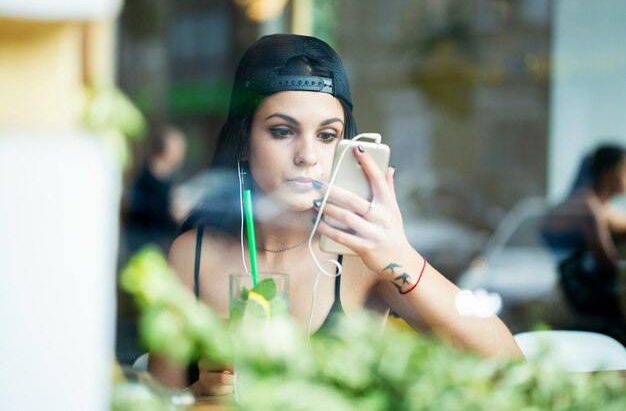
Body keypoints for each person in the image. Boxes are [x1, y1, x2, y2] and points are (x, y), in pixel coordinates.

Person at [147, 34, 523, 395]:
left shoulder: (360, 257)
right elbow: (156, 401)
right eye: (282, 131)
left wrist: (400, 256)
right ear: (243, 140)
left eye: (327, 135)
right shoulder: (192, 256)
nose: (307, 156)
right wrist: (200, 391)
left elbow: (510, 366)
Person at [541, 144, 626, 332]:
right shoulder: (587, 206)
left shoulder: (599, 207)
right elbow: (608, 264)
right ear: (608, 173)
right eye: (624, 170)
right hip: (571, 301)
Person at [125, 125, 188, 255]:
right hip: (147, 252)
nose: (183, 152)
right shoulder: (144, 184)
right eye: (180, 148)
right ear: (168, 151)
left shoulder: (171, 181)